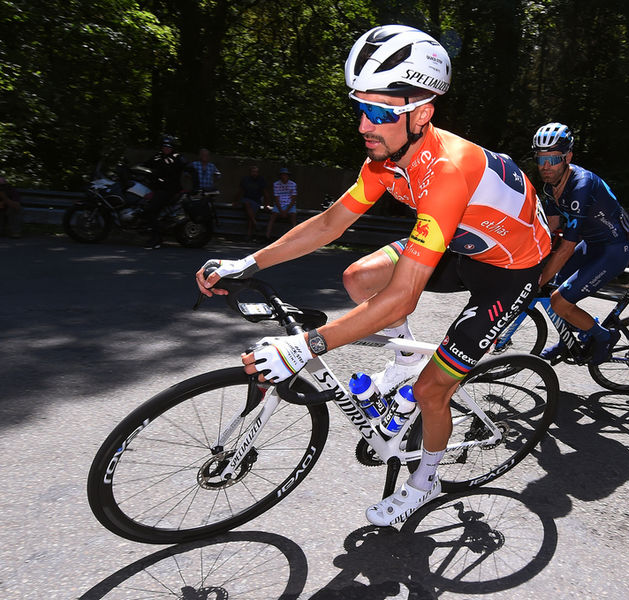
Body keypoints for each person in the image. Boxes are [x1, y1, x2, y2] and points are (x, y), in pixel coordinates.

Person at [195, 24, 551, 528]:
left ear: (421, 113)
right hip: (461, 242)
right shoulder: (386, 159)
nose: (365, 125)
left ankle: (424, 482)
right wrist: (248, 262)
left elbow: (403, 298)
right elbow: (330, 222)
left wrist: (304, 347)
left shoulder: (447, 170)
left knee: (432, 391)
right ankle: (404, 364)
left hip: (509, 271)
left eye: (381, 113)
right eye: (361, 108)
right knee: (359, 277)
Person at [532, 122, 629, 364]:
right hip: (591, 244)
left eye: (553, 159)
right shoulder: (551, 185)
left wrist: (537, 280)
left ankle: (604, 336)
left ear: (568, 157)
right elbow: (551, 226)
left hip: (614, 250)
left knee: (559, 300)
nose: (546, 166)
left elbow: (566, 246)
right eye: (540, 158)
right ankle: (569, 341)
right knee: (554, 286)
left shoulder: (581, 185)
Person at [140, 135, 187, 249]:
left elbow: (189, 168)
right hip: (157, 189)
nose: (166, 148)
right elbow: (145, 165)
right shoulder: (157, 157)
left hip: (168, 190)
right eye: (164, 146)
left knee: (151, 211)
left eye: (169, 146)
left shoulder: (178, 158)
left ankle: (156, 239)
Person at [234, 165, 267, 241]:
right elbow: (240, 191)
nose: (255, 173)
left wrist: (266, 204)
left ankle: (249, 235)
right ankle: (255, 224)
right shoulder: (245, 180)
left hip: (256, 201)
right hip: (246, 199)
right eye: (253, 172)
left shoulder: (261, 180)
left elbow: (265, 193)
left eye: (256, 172)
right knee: (247, 203)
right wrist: (235, 201)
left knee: (251, 215)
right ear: (250, 172)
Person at [266, 167, 297, 239]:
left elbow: (293, 199)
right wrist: (281, 210)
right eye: (282, 175)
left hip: (289, 204)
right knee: (273, 216)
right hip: (279, 204)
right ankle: (267, 235)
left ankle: (295, 235)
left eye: (285, 175)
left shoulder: (293, 184)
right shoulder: (276, 184)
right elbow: (276, 198)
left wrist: (286, 211)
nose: (284, 177)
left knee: (293, 216)